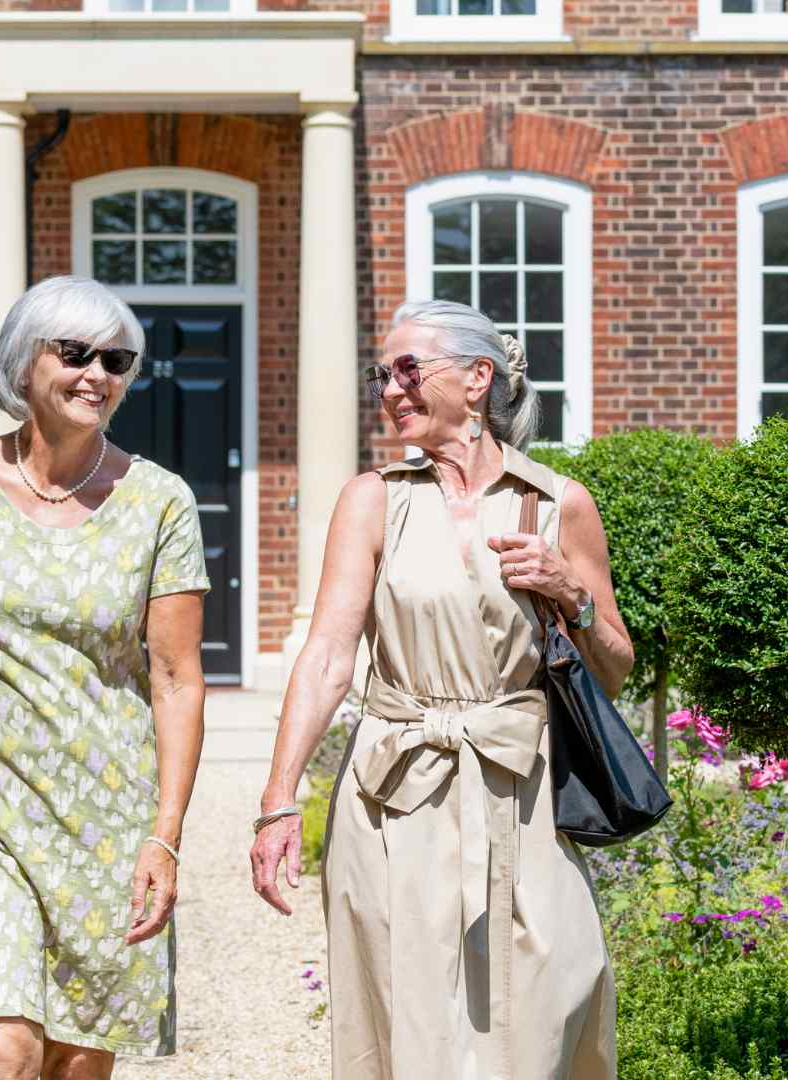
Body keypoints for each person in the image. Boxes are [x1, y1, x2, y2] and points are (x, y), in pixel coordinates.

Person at [250, 298, 633, 1079]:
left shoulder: (559, 503)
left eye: (408, 369)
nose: (390, 388)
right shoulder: (374, 499)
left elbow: (615, 664)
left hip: (520, 795)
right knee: (408, 1022)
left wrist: (571, 592)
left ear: (477, 379)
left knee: (549, 1000)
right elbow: (327, 655)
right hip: (394, 797)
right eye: (381, 373)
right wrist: (278, 800)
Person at [0, 275, 210, 1080]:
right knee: (2, 1051)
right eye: (74, 353)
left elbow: (175, 679)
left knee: (73, 1065)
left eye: (117, 359)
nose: (96, 373)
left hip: (106, 821)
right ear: (23, 364)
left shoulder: (159, 502)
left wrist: (163, 836)